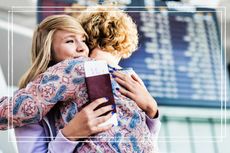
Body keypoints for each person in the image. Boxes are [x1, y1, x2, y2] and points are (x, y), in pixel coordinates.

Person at [14, 7, 160, 153]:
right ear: (49, 52)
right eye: (70, 41)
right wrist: (70, 134)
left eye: (84, 41)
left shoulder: (126, 80)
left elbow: (138, 140)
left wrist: (152, 110)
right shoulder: (28, 103)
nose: (82, 49)